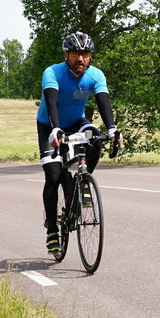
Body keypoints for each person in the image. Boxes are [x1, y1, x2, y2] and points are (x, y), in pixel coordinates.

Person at [37, 31, 120, 254]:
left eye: (85, 54)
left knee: (96, 138)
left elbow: (103, 102)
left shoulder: (95, 75)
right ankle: (52, 229)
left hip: (76, 122)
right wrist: (55, 128)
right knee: (53, 175)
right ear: (66, 55)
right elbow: (51, 101)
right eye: (75, 54)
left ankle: (83, 180)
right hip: (49, 124)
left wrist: (112, 129)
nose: (80, 59)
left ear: (90, 57)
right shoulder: (53, 72)